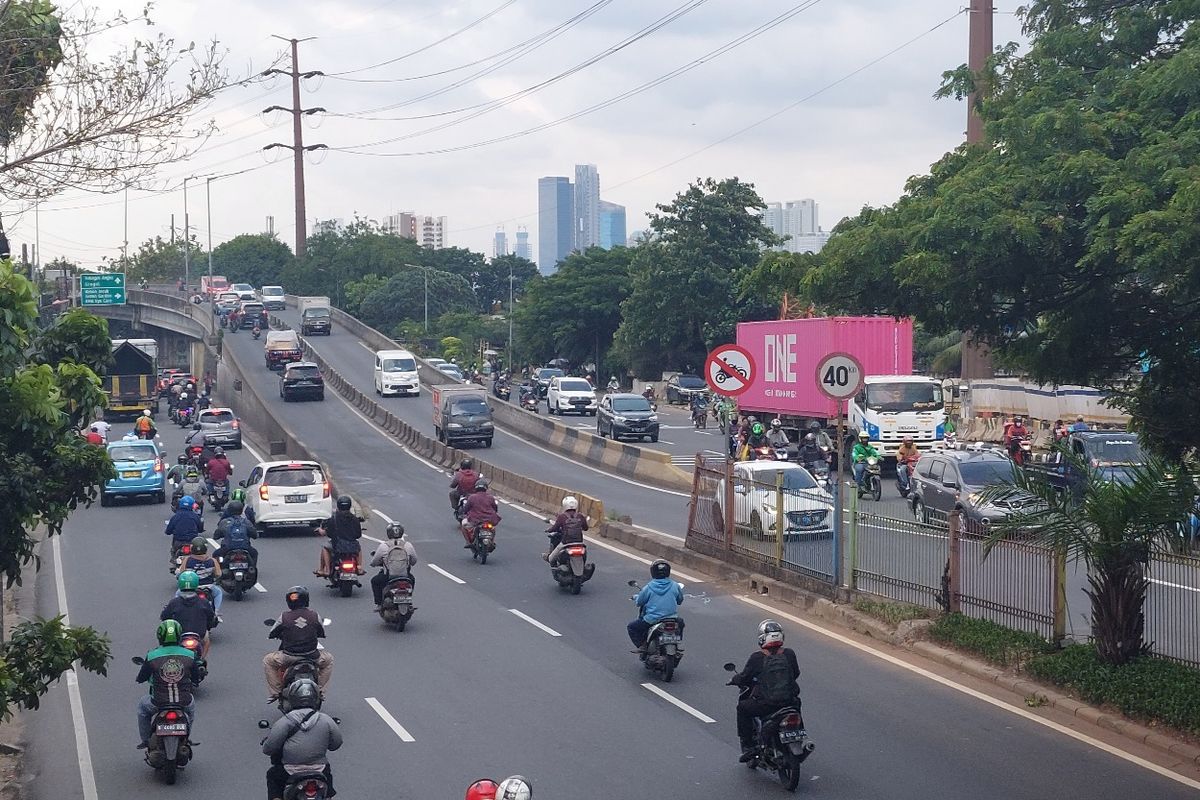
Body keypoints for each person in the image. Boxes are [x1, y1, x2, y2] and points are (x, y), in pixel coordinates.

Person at [728, 619, 809, 762]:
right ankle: (799, 736)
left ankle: (748, 746)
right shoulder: (789, 654)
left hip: (767, 705)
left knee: (742, 708)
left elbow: (745, 678)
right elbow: (795, 674)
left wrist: (735, 679)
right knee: (797, 704)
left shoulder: (757, 658)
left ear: (762, 638)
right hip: (790, 702)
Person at [261, 677, 342, 800]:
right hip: (320, 769)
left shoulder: (285, 721)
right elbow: (336, 744)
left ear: (292, 698)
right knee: (328, 780)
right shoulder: (326, 720)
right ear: (316, 698)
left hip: (289, 771)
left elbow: (268, 749)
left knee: (272, 775)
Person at [135, 619, 201, 750]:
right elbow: (196, 678)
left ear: (159, 636)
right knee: (191, 709)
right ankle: (186, 736)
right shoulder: (190, 655)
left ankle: (146, 740)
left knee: (142, 708)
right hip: (184, 702)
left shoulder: (152, 655)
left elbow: (141, 677)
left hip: (158, 703)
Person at [263, 586, 333, 698]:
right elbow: (322, 632)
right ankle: (320, 691)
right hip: (312, 656)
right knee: (328, 660)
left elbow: (272, 632)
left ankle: (276, 693)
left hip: (288, 657)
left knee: (268, 661)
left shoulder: (284, 616)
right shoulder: (314, 615)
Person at [627, 560, 684, 651]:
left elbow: (639, 602)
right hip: (672, 618)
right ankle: (677, 643)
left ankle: (643, 646)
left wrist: (636, 597)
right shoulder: (675, 585)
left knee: (632, 627)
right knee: (680, 623)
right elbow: (680, 600)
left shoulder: (648, 587)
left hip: (652, 620)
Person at [161, 571, 217, 657]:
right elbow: (211, 618)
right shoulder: (204, 602)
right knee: (207, 641)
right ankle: (202, 660)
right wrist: (208, 626)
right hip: (199, 635)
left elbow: (164, 617)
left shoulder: (174, 602)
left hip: (179, 635)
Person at [369, 522, 417, 611]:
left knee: (375, 581)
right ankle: (409, 601)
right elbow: (414, 561)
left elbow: (374, 562)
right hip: (405, 576)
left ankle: (379, 604)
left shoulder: (383, 546)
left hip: (388, 577)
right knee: (412, 580)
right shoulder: (408, 545)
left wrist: (376, 563)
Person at [316, 496, 364, 578]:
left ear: (338, 506)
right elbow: (358, 535)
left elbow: (329, 533)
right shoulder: (355, 519)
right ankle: (359, 568)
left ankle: (325, 570)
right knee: (358, 547)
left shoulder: (334, 519)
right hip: (352, 546)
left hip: (337, 546)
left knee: (325, 548)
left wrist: (321, 531)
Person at [179, 536, 223, 618]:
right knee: (218, 593)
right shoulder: (212, 560)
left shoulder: (187, 559)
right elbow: (218, 574)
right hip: (208, 587)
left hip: (192, 587)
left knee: (178, 593)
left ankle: (178, 611)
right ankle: (216, 612)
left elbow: (182, 573)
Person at [214, 500, 259, 569]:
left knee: (215, 555)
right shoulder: (246, 522)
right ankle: (252, 569)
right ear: (241, 510)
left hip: (227, 548)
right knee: (254, 553)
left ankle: (219, 571)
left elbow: (216, 536)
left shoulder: (224, 522)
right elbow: (255, 535)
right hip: (245, 547)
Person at [545, 496, 588, 567]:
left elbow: (555, 528)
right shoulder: (580, 516)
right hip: (579, 542)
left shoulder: (562, 516)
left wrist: (548, 530)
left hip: (566, 542)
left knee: (550, 558)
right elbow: (586, 528)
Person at [461, 477, 500, 548]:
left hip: (475, 520)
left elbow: (466, 508)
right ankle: (492, 542)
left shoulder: (472, 497)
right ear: (486, 488)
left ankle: (468, 542)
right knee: (493, 529)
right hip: (489, 519)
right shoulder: (490, 497)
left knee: (463, 526)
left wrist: (465, 513)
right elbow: (495, 508)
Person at [165, 496, 204, 565]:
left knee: (174, 551)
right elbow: (200, 529)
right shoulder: (195, 516)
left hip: (178, 542)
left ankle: (174, 559)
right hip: (192, 542)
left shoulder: (176, 516)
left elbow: (168, 531)